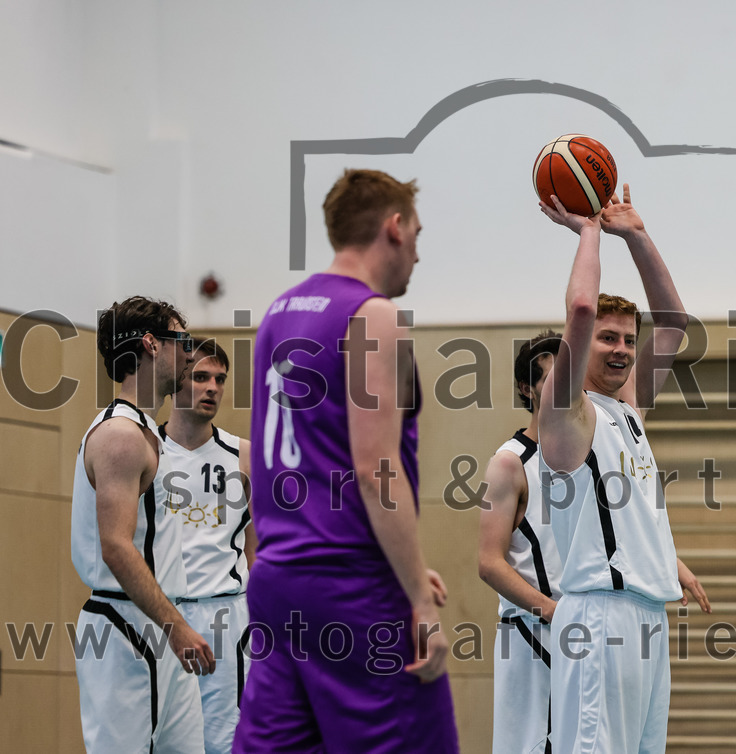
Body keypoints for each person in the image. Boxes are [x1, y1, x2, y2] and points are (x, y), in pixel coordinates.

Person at [235, 168, 459, 753]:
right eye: (416, 231)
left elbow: (266, 463)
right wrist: (413, 591)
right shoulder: (372, 314)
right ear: (393, 227)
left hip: (279, 580)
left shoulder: (278, 313)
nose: (417, 250)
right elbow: (375, 467)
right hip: (353, 589)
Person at [536, 186, 711, 753]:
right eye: (608, 338)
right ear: (580, 348)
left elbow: (676, 321)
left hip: (646, 620)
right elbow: (581, 309)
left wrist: (635, 234)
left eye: (629, 340)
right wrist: (589, 231)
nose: (621, 349)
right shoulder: (566, 414)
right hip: (599, 622)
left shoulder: (628, 410)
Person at [71, 296, 212, 753]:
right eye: (182, 341)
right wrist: (176, 626)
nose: (190, 354)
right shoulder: (120, 437)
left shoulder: (151, 433)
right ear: (151, 344)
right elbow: (115, 545)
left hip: (161, 625)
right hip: (123, 629)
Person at [161, 338, 255, 753]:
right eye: (201, 377)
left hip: (226, 618)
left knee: (224, 743)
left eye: (220, 379)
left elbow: (259, 549)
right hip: (162, 615)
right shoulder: (145, 449)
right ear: (176, 378)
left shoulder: (245, 456)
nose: (213, 387)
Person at [478, 331, 564, 754]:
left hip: (586, 631)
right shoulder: (509, 462)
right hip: (534, 633)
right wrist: (552, 611)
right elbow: (489, 563)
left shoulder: (592, 457)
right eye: (552, 379)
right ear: (526, 389)